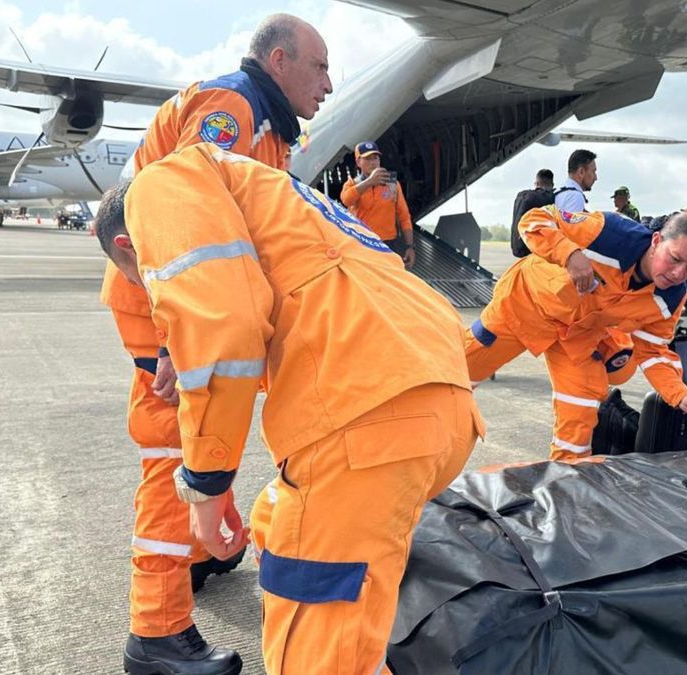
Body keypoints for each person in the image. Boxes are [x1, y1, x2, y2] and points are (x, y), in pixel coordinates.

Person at [94, 144, 482, 675]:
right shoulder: (268, 188)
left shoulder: (160, 186)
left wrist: (206, 487)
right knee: (279, 522)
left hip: (367, 423)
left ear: (127, 244)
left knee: (316, 658)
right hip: (437, 402)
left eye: (144, 281)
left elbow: (223, 332)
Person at [100, 14, 333, 675]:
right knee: (172, 456)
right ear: (280, 59)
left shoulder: (266, 128)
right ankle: (157, 633)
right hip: (168, 308)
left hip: (182, 305)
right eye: (319, 67)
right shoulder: (231, 111)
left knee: (212, 426)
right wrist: (179, 342)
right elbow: (187, 233)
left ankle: (204, 550)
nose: (329, 83)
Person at [466, 208, 687, 459]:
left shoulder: (671, 298)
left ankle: (566, 479)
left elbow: (653, 352)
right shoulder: (605, 232)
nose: (678, 274)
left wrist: (680, 395)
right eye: (674, 259)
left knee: (580, 416)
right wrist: (570, 254)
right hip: (523, 306)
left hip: (578, 337)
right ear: (656, 241)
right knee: (456, 372)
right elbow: (533, 220)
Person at [340, 141, 416, 268]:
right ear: (358, 162)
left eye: (375, 158)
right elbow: (346, 200)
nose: (373, 162)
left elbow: (404, 216)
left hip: (387, 244)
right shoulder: (352, 184)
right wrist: (369, 182)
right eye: (368, 158)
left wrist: (410, 247)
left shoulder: (392, 183)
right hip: (361, 243)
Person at [555, 149, 596, 213]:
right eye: (593, 171)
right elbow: (571, 223)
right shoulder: (575, 197)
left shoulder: (560, 192)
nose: (595, 178)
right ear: (581, 172)